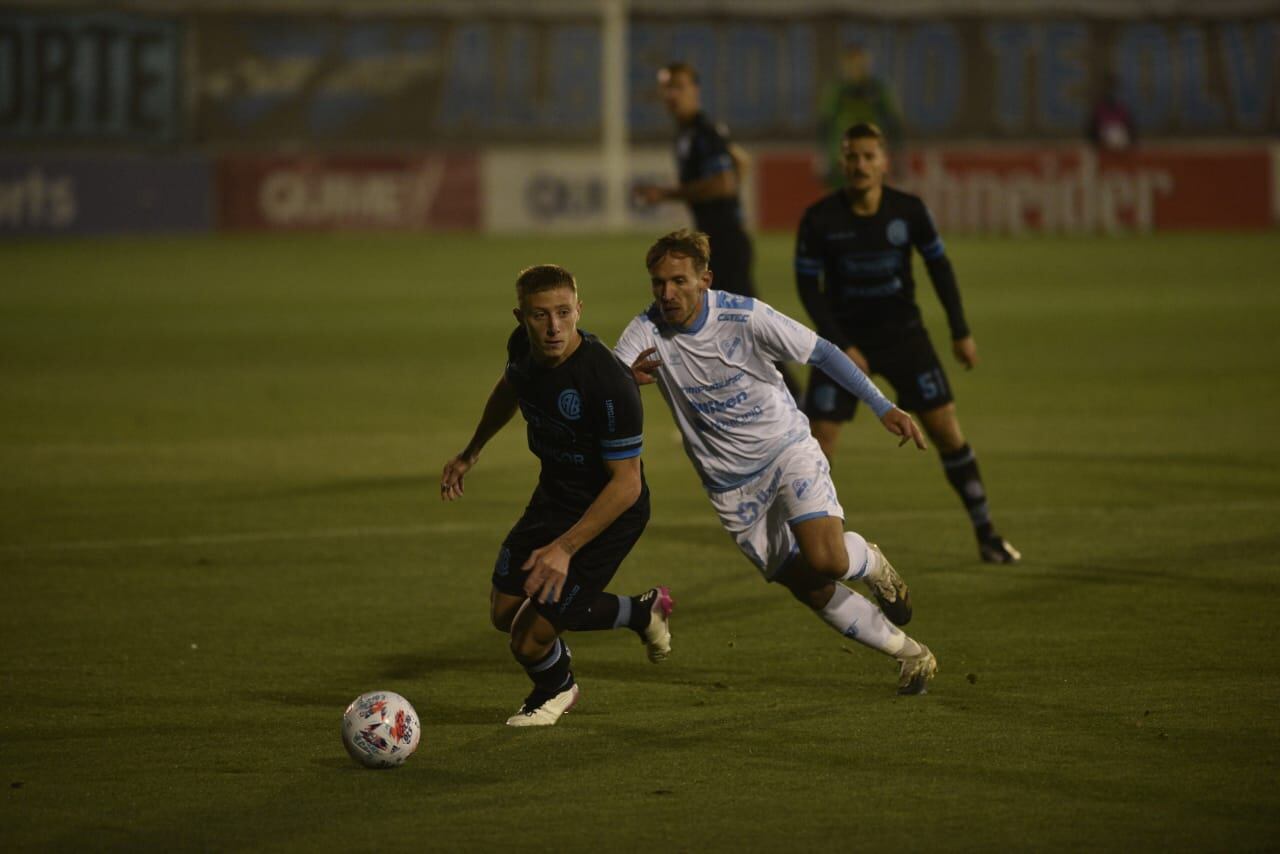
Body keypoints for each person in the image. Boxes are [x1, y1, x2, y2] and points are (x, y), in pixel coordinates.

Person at [615, 230, 938, 696]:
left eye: (679, 281)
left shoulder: (744, 316)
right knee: (806, 585)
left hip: (785, 450)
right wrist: (626, 378)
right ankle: (911, 655)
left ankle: (868, 560)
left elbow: (823, 352)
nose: (667, 293)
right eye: (658, 282)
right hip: (730, 486)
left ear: (705, 279)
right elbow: (608, 377)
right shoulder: (646, 331)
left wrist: (882, 405)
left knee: (826, 558)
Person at [440, 264, 674, 727]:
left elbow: (626, 484)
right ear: (520, 317)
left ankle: (556, 688)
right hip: (555, 496)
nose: (553, 328)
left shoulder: (609, 384)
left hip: (609, 510)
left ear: (579, 310)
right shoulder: (522, 350)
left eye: (564, 313)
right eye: (540, 315)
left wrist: (565, 548)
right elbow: (512, 387)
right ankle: (641, 611)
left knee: (527, 640)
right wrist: (472, 451)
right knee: (506, 610)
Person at [795, 122, 1020, 565]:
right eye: (852, 156)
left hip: (904, 338)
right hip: (843, 344)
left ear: (884, 162)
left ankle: (987, 533)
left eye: (868, 156)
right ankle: (808, 548)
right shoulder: (820, 218)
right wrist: (840, 344)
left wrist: (960, 330)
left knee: (945, 431)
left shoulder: (909, 211)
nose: (859, 165)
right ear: (842, 162)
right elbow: (808, 288)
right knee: (818, 444)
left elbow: (940, 268)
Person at [635, 60, 803, 402]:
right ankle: (743, 398)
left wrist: (667, 193)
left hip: (726, 243)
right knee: (725, 325)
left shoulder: (703, 132)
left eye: (678, 87)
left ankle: (796, 399)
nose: (672, 95)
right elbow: (740, 163)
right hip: (718, 242)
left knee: (745, 325)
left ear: (695, 90)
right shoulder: (691, 134)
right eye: (667, 88)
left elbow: (725, 182)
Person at [817, 45, 903, 189]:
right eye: (852, 64)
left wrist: (898, 154)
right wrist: (821, 157)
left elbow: (893, 122)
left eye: (860, 63)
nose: (856, 69)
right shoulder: (837, 91)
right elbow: (824, 124)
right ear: (845, 66)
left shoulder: (878, 90)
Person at [1086, 72, 1137, 152]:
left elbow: (1132, 130)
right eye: (1108, 87)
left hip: (1122, 150)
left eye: (1113, 87)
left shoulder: (1123, 109)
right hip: (1103, 148)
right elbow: (1091, 131)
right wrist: (1099, 143)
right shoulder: (1099, 110)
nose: (1111, 91)